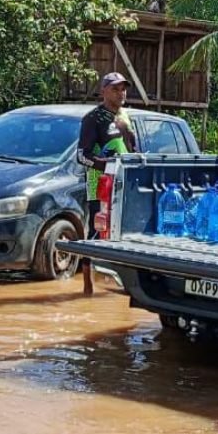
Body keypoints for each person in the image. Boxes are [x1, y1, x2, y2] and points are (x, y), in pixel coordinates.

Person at [77, 72, 136, 296]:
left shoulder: (124, 115)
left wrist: (127, 134)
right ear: (103, 91)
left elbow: (132, 147)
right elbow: (81, 155)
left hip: (125, 185)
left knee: (124, 232)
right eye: (115, 89)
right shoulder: (93, 119)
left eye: (123, 89)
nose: (121, 93)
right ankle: (86, 287)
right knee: (94, 233)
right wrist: (107, 167)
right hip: (99, 186)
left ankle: (125, 285)